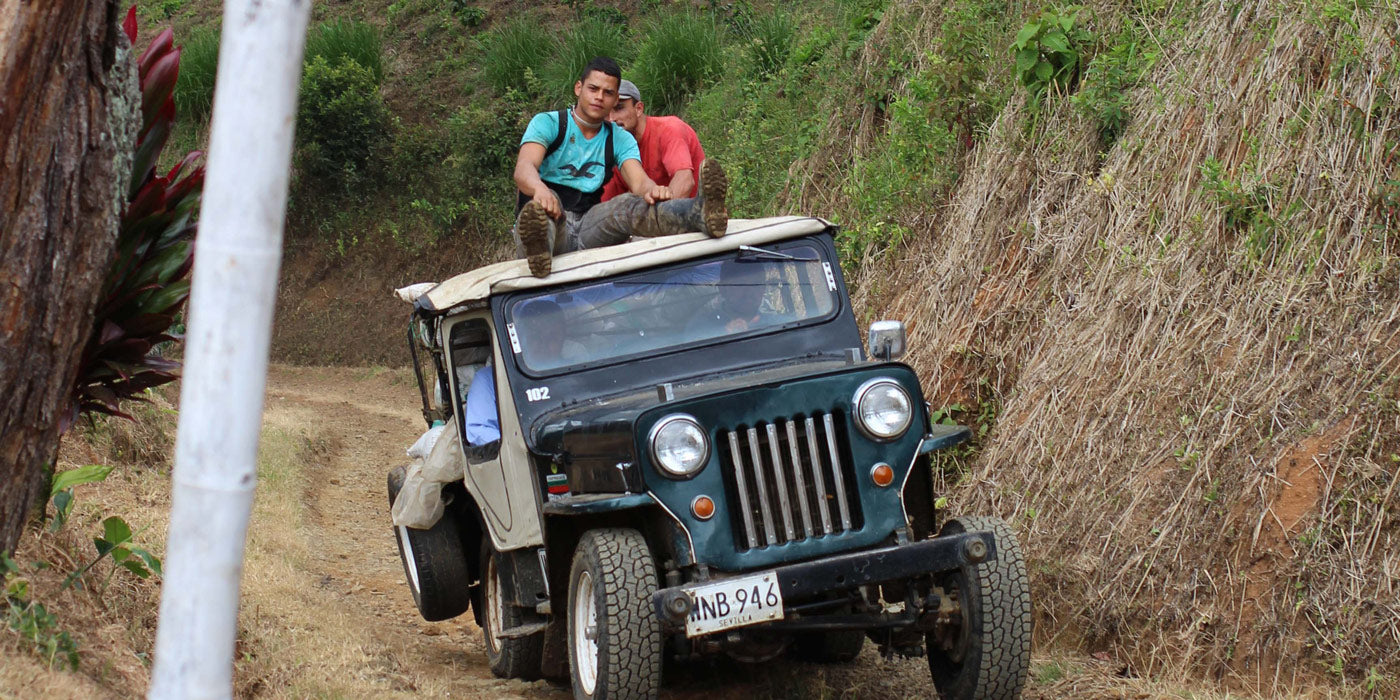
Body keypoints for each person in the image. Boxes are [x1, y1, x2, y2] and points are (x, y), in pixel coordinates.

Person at [512, 56, 729, 278]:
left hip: (588, 225)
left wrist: (653, 190)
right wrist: (539, 190)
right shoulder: (549, 123)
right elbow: (524, 167)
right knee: (545, 209)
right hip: (553, 223)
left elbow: (639, 182)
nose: (599, 97)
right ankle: (540, 253)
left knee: (627, 203)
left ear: (615, 98)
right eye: (593, 89)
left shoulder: (619, 138)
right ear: (578, 88)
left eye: (608, 93)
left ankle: (701, 213)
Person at [600, 80, 706, 201]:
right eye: (605, 113)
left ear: (639, 108)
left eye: (619, 108)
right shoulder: (614, 151)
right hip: (652, 215)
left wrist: (660, 216)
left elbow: (685, 181)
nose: (611, 119)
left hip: (697, 215)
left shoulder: (669, 129)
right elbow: (602, 203)